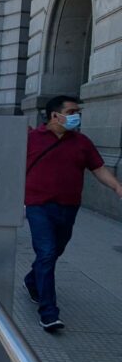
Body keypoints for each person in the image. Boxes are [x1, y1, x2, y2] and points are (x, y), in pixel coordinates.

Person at [23, 95, 122, 333]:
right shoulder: (30, 139)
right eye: (72, 111)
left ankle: (31, 280)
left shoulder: (81, 142)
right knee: (46, 252)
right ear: (54, 115)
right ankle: (49, 313)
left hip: (68, 206)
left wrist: (117, 187)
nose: (76, 115)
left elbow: (98, 168)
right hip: (38, 205)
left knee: (55, 251)